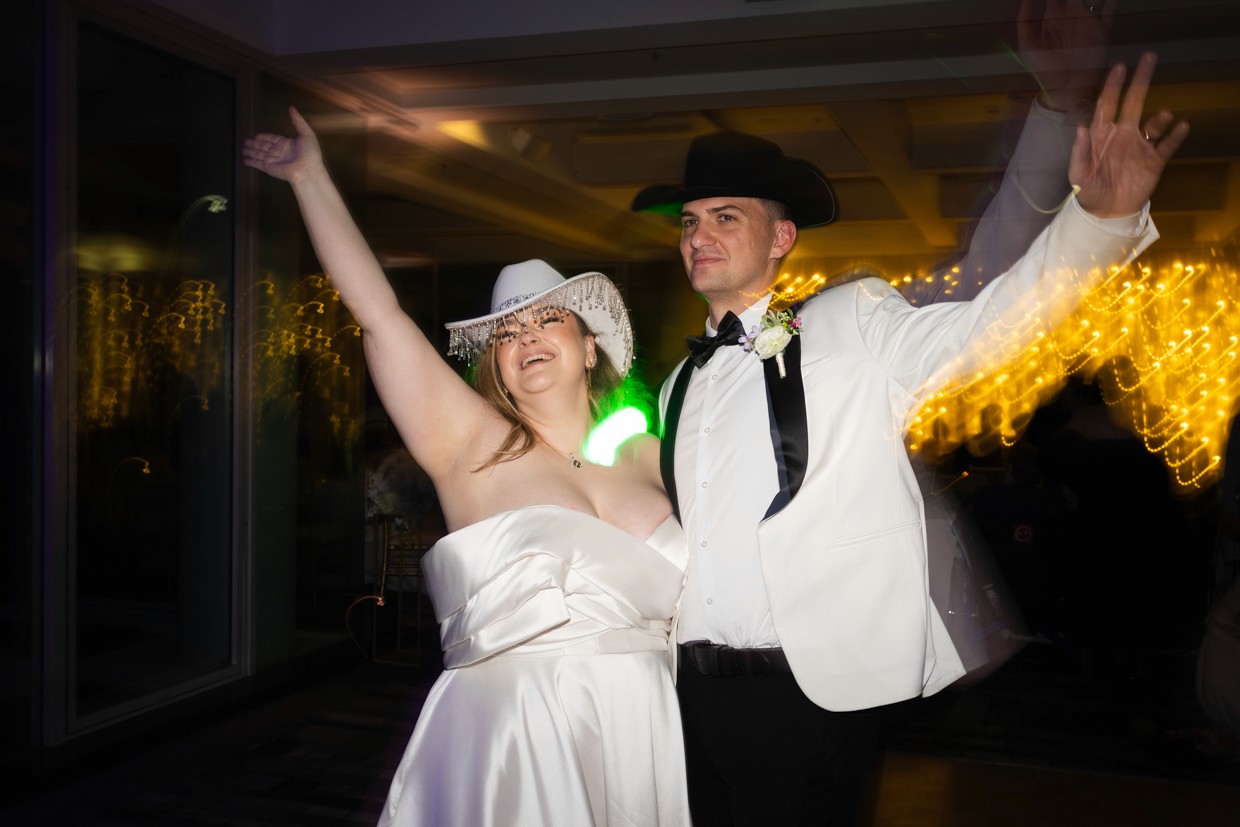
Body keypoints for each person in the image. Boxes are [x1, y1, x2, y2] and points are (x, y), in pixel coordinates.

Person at [632, 50, 1187, 825]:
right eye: (691, 221)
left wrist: (1097, 223)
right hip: (687, 695)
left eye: (727, 217)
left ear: (782, 236)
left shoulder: (850, 320)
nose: (700, 235)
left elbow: (989, 330)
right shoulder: (675, 384)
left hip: (810, 685)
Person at [244, 114, 690, 825]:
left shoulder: (653, 453)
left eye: (547, 321)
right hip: (520, 728)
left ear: (587, 349)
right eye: (508, 334)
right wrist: (311, 177)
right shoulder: (473, 446)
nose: (526, 338)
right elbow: (380, 313)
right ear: (500, 371)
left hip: (642, 717)